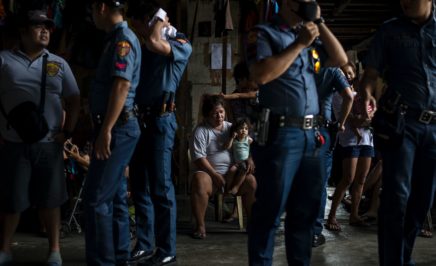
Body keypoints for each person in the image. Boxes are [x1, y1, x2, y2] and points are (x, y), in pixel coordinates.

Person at [245, 0, 348, 264]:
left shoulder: (309, 38)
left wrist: (320, 23)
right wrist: (299, 44)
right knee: (270, 210)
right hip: (281, 135)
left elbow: (339, 59)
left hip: (311, 137)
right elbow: (260, 74)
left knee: (304, 213)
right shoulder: (264, 33)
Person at [0, 9, 80, 266]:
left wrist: (67, 132)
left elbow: (75, 99)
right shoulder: (3, 61)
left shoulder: (59, 63)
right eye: (38, 26)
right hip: (14, 143)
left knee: (51, 198)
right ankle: (5, 249)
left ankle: (54, 250)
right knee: (12, 200)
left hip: (49, 145)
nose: (45, 30)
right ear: (23, 32)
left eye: (48, 26)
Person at [360, 0, 436, 265]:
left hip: (435, 128)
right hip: (403, 124)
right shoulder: (390, 30)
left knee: (422, 202)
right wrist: (368, 93)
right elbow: (371, 73)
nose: (405, 1)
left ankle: (403, 256)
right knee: (396, 198)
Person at [126, 1, 192, 265]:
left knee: (161, 188)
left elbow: (155, 42)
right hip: (139, 121)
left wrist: (160, 16)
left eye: (140, 23)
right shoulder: (143, 48)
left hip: (161, 122)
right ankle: (144, 244)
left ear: (150, 21)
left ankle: (167, 250)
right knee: (139, 186)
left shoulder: (179, 43)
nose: (137, 29)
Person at [83, 0, 142, 265]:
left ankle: (103, 262)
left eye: (92, 8)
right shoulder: (115, 38)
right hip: (116, 127)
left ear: (102, 7)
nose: (92, 14)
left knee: (96, 199)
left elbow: (121, 85)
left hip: (116, 129)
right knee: (116, 196)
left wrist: (105, 130)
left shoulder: (123, 40)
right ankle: (119, 257)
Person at [190, 95, 257, 239]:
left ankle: (252, 224)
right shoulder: (201, 131)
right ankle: (200, 226)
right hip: (211, 177)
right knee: (199, 179)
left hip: (233, 176)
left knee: (251, 181)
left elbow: (244, 145)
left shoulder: (231, 127)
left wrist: (250, 158)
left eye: (221, 112)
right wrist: (215, 175)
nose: (219, 116)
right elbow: (199, 159)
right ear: (207, 114)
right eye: (215, 113)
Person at [311, 66, 354, 247]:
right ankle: (314, 233)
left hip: (294, 128)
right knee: (319, 183)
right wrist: (341, 123)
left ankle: (298, 227)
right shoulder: (333, 71)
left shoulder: (293, 62)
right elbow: (349, 97)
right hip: (322, 129)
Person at [224, 117, 254, 196]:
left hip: (245, 162)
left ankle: (236, 186)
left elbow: (251, 147)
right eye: (241, 128)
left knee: (244, 170)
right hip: (237, 163)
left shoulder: (248, 139)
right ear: (235, 130)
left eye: (246, 128)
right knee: (231, 170)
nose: (244, 130)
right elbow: (227, 147)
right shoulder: (234, 140)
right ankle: (228, 187)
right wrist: (232, 137)